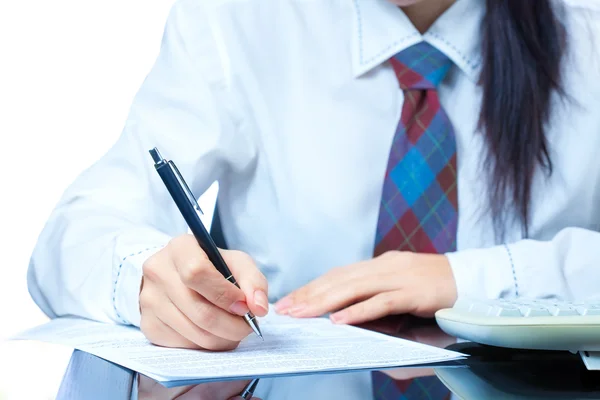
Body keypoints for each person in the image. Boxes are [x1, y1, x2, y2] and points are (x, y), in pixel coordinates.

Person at [29, 0, 599, 375]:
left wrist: (475, 278)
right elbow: (75, 233)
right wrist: (149, 279)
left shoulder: (587, 36)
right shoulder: (239, 23)